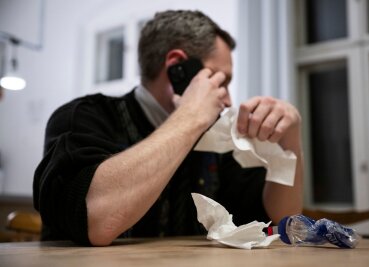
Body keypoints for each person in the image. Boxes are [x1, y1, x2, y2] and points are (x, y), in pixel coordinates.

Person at [33, 10, 303, 246]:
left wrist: (289, 141)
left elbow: (280, 219)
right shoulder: (82, 118)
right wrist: (190, 117)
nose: (228, 99)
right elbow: (96, 221)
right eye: (221, 81)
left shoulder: (216, 137)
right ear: (177, 67)